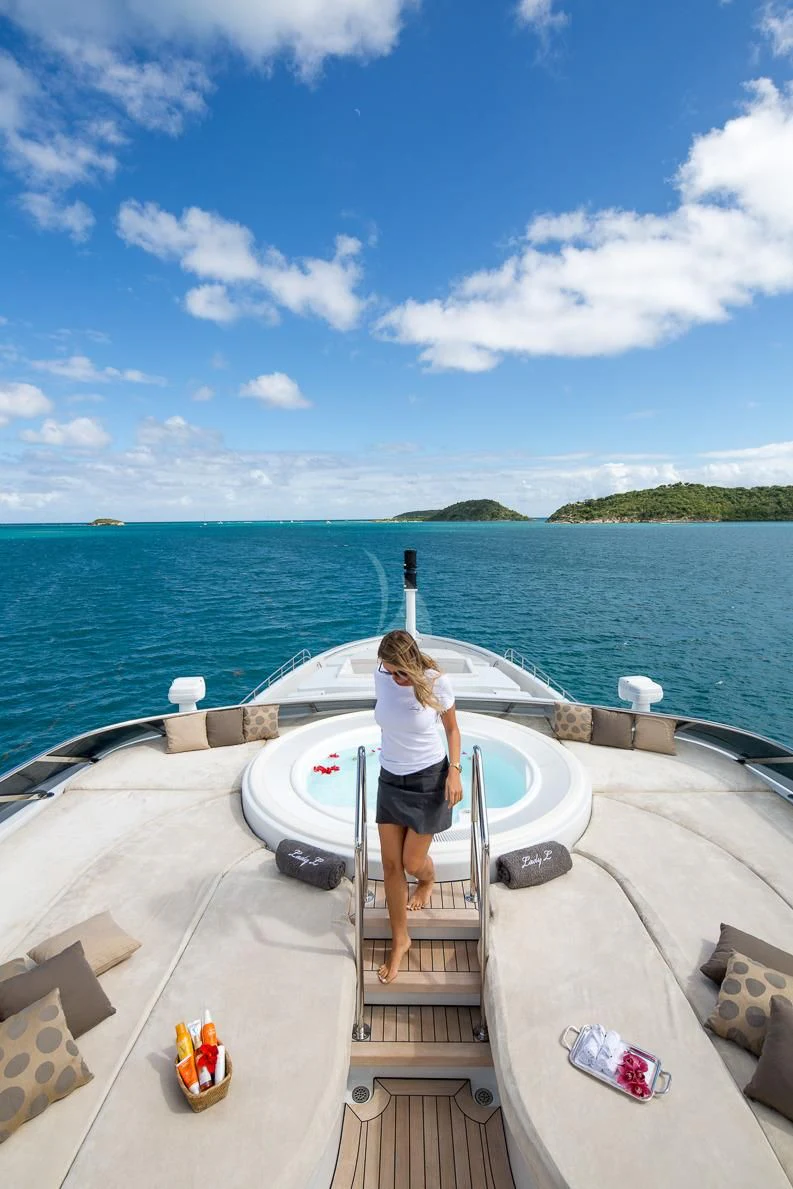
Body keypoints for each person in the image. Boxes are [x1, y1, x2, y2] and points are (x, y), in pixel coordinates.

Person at [373, 629, 463, 983]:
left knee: (411, 863)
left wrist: (454, 772)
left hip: (428, 779)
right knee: (391, 866)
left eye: (400, 671)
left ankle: (428, 879)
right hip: (390, 778)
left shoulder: (436, 682)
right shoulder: (382, 677)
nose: (395, 677)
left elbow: (452, 730)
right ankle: (400, 939)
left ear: (411, 662)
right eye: (389, 670)